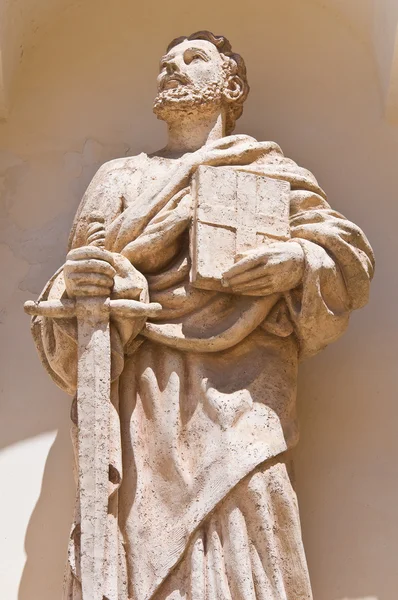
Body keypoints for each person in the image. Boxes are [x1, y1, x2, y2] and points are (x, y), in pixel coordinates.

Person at [31, 30, 374, 600]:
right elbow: (74, 285)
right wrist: (91, 281)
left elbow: (346, 256)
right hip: (147, 384)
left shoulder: (267, 170)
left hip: (249, 391)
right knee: (144, 527)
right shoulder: (120, 178)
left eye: (193, 59)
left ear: (229, 84)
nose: (172, 68)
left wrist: (297, 261)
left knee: (254, 506)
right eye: (165, 62)